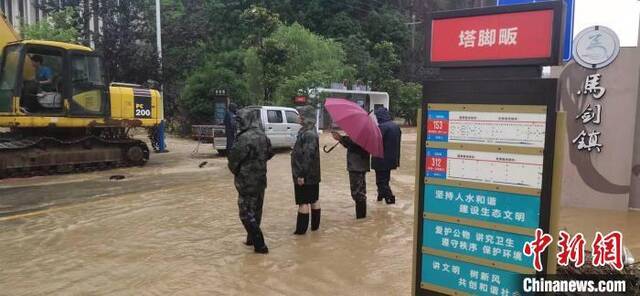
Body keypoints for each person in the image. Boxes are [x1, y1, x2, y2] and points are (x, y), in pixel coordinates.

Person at [227, 108, 274, 254]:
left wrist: (239, 170)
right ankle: (251, 239)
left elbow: (233, 160)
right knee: (256, 210)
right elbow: (270, 153)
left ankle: (260, 245)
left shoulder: (244, 138)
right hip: (260, 180)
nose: (238, 123)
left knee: (245, 213)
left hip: (247, 182)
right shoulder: (262, 135)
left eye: (240, 120)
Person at [291, 105, 321, 234]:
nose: (298, 117)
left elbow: (308, 155)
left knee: (303, 202)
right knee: (314, 199)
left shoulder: (308, 134)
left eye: (300, 115)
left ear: (305, 118)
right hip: (312, 174)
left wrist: (301, 175)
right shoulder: (308, 130)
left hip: (306, 175)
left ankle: (301, 232)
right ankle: (314, 229)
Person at [332, 131, 370, 219]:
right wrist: (341, 139)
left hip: (357, 165)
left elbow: (355, 143)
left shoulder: (362, 133)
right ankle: (361, 219)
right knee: (359, 192)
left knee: (358, 193)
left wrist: (341, 138)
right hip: (359, 164)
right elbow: (351, 144)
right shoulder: (361, 131)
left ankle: (361, 218)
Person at [371, 107, 402, 204]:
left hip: (381, 160)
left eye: (377, 116)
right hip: (392, 159)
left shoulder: (382, 127)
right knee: (385, 180)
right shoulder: (396, 126)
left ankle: (390, 199)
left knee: (381, 182)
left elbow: (375, 142)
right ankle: (380, 198)